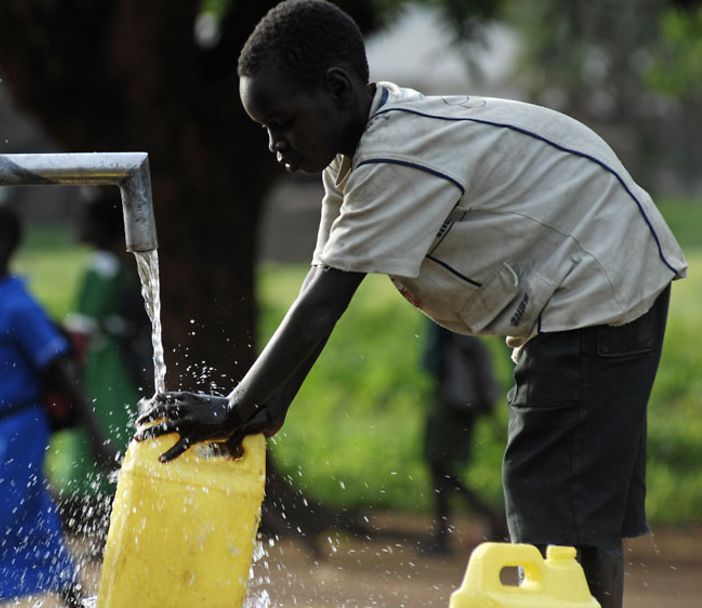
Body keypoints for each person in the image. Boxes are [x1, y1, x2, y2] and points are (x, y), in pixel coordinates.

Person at [135, 1, 687, 606]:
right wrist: (269, 407)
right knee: (574, 503)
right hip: (605, 276)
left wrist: (234, 408)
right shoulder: (356, 160)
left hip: (598, 283)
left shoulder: (396, 157)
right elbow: (319, 286)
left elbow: (326, 303)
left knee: (550, 499)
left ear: (338, 89)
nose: (275, 144)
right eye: (264, 129)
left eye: (283, 122)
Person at [0, 203, 88, 607]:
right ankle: (74, 595)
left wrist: (93, 435)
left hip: (15, 430)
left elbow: (59, 368)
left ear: (4, 244)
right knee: (32, 520)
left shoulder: (18, 305)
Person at [52, 189, 153, 536]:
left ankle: (103, 519)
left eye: (84, 217)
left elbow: (83, 325)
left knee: (102, 427)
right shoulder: (117, 264)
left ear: (101, 225)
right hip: (112, 361)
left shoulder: (103, 267)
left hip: (100, 365)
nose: (77, 224)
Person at [421, 321, 506, 555]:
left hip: (456, 401)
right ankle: (449, 530)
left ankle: (446, 533)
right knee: (439, 468)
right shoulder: (447, 321)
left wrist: (485, 406)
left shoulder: (450, 319)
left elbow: (471, 359)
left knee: (439, 466)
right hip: (452, 397)